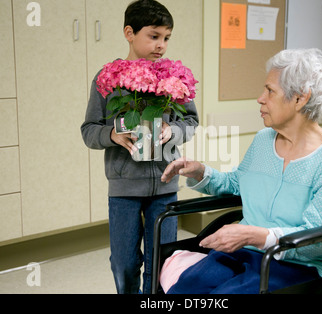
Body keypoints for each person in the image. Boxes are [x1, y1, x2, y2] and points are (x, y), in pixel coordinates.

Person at [160, 48, 322, 294]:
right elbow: (237, 183)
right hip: (243, 253)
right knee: (186, 288)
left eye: (270, 90)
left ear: (300, 98)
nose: (260, 98)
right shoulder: (264, 140)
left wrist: (254, 235)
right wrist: (200, 172)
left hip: (297, 267)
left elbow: (316, 243)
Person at [81, 0, 199, 294]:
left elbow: (192, 122)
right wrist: (112, 135)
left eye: (166, 38)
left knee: (162, 260)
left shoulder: (173, 77)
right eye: (154, 36)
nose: (161, 45)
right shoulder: (107, 79)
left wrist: (173, 129)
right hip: (124, 190)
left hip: (166, 184)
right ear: (129, 33)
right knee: (123, 262)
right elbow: (89, 130)